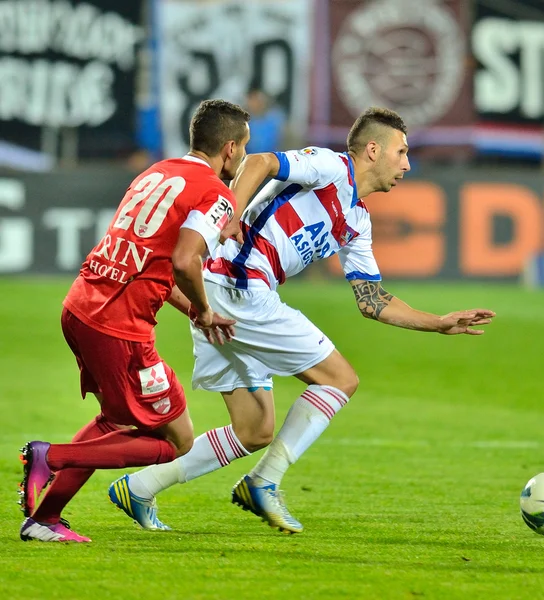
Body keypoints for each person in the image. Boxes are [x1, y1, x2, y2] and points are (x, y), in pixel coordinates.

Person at [109, 107, 496, 534]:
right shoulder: (331, 166)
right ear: (373, 150)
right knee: (340, 379)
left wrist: (438, 322)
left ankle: (140, 487)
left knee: (254, 430)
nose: (407, 164)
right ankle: (264, 481)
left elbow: (371, 300)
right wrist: (230, 211)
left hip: (222, 297)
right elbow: (261, 162)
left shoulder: (357, 220)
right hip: (242, 288)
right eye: (401, 152)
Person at [18, 99, 251, 543]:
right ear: (228, 149)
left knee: (116, 421)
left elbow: (152, 266)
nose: (240, 157)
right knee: (177, 439)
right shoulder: (216, 194)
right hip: (117, 326)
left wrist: (196, 314)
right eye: (242, 148)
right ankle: (53, 456)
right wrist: (203, 309)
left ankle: (45, 519)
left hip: (82, 305)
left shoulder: (157, 171)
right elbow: (184, 261)